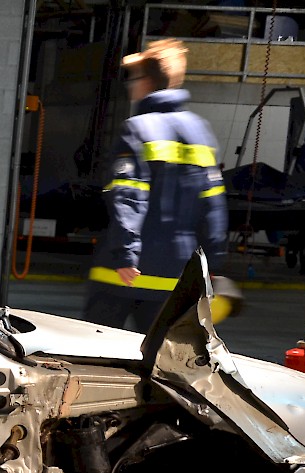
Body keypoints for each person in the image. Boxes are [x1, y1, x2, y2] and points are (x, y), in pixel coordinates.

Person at [83, 38, 228, 331]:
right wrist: (213, 265)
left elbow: (129, 193)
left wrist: (126, 252)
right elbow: (213, 207)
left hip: (123, 274)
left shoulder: (137, 128)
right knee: (162, 359)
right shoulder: (200, 131)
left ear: (147, 82)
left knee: (93, 352)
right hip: (176, 275)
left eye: (134, 78)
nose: (131, 86)